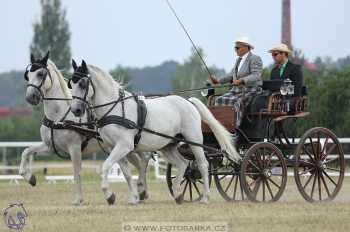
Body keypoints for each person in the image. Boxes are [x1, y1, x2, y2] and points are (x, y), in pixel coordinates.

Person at [209, 37, 263, 127]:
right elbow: (231, 75)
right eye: (235, 48)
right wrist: (218, 81)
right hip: (236, 90)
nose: (235, 50)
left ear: (246, 47)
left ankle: (234, 127)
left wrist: (242, 80)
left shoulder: (255, 58)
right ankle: (220, 125)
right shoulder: (239, 60)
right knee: (219, 100)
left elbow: (256, 75)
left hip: (251, 90)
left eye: (237, 48)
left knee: (236, 102)